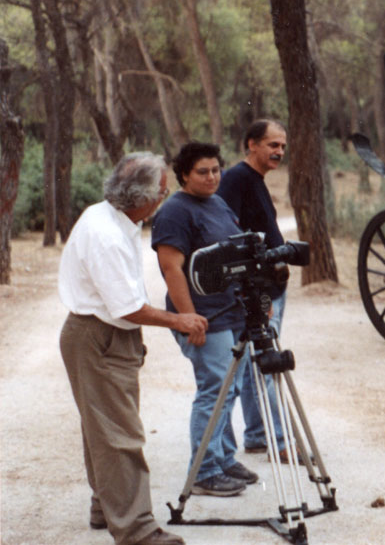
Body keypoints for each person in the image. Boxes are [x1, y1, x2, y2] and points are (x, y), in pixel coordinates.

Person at [59, 152, 206, 545]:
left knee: (103, 429)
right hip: (99, 336)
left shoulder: (109, 217)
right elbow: (127, 307)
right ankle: (137, 530)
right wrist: (179, 319)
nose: (165, 196)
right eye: (162, 190)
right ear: (143, 196)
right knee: (120, 435)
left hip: (101, 335)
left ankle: (105, 508)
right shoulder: (106, 234)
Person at [151, 142, 259, 497]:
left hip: (232, 313)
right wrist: (187, 317)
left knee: (232, 388)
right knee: (215, 390)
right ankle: (204, 471)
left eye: (216, 170)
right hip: (204, 318)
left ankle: (224, 459)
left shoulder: (216, 202)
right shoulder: (175, 212)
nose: (212, 177)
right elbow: (171, 268)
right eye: (203, 171)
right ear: (184, 174)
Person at [216, 119, 295, 463]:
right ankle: (279, 441)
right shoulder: (236, 179)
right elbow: (226, 235)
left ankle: (258, 435)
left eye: (282, 146)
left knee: (253, 363)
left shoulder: (255, 180)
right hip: (259, 289)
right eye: (272, 145)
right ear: (251, 144)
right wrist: (254, 292)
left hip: (272, 284)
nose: (279, 152)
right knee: (267, 360)